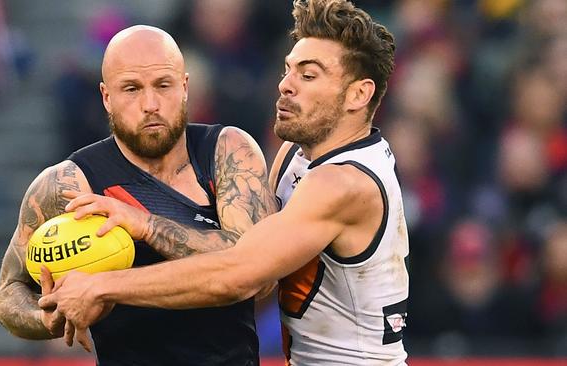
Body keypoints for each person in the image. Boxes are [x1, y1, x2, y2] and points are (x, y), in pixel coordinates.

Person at [41, 1, 409, 365]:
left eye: (308, 75)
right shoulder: (294, 156)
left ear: (359, 94)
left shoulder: (344, 183)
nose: (285, 85)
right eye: (288, 69)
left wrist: (102, 284)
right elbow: (259, 279)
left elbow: (238, 275)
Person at [0, 25, 277, 366]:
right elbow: (10, 292)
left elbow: (257, 276)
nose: (150, 104)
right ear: (106, 97)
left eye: (163, 85)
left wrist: (144, 226)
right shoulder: (69, 183)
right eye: (131, 89)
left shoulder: (228, 153)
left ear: (185, 87)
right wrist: (50, 318)